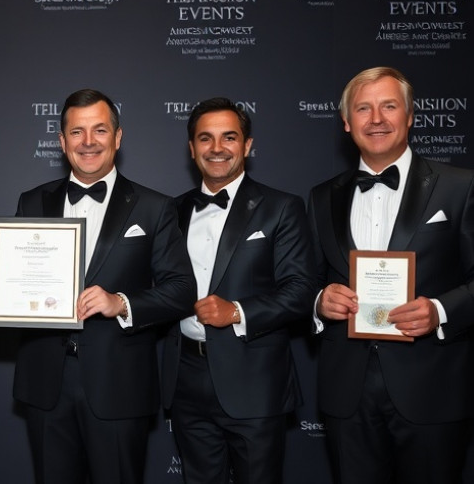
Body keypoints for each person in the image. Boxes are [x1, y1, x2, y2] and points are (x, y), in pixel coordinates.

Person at [0, 89, 195, 484]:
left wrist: (121, 302)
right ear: (61, 142)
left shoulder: (154, 206)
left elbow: (181, 289)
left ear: (118, 137)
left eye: (99, 130)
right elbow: (20, 287)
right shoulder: (33, 200)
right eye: (77, 132)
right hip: (46, 382)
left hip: (118, 383)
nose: (88, 142)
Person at [308, 66, 474, 483]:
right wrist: (319, 300)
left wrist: (440, 310)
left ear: (411, 116)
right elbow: (305, 279)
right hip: (347, 390)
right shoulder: (322, 195)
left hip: (432, 387)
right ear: (347, 123)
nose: (376, 119)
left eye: (388, 106)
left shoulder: (460, 187)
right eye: (363, 108)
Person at [161, 97, 316, 483]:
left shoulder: (281, 207)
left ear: (247, 146)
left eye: (229, 137)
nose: (216, 148)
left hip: (254, 381)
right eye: (205, 138)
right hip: (184, 378)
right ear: (191, 147)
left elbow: (301, 289)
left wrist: (237, 312)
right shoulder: (171, 211)